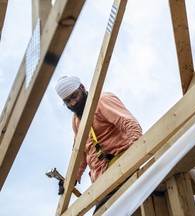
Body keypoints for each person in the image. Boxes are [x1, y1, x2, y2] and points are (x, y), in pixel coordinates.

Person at [55, 76, 142, 210]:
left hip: (122, 167)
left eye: (75, 96)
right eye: (67, 101)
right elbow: (82, 153)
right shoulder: (76, 121)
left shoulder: (102, 101)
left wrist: (136, 155)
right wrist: (70, 180)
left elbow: (129, 124)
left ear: (82, 87)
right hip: (102, 183)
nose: (73, 103)